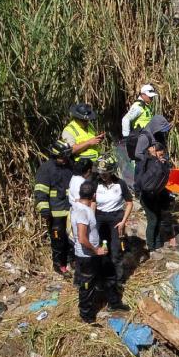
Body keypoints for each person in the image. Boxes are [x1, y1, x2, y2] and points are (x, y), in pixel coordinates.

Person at [92, 155, 133, 311]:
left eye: (106, 172)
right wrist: (91, 220)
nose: (103, 175)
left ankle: (115, 280)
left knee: (115, 252)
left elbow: (129, 202)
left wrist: (123, 221)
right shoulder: (96, 184)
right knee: (102, 251)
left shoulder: (120, 184)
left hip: (115, 218)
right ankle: (103, 279)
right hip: (100, 218)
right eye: (101, 172)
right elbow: (93, 202)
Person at [70, 180, 108, 324]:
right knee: (87, 285)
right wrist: (96, 250)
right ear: (93, 195)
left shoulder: (80, 206)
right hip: (86, 256)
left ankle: (89, 307)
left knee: (88, 282)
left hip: (86, 255)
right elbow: (82, 238)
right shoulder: (82, 212)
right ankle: (87, 316)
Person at [35, 141, 74, 275]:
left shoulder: (69, 166)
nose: (65, 159)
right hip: (55, 213)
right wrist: (44, 209)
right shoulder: (46, 169)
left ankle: (71, 262)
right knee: (58, 240)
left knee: (71, 239)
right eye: (63, 156)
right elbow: (40, 191)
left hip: (70, 211)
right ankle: (59, 266)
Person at [135, 142, 172, 253]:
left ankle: (158, 244)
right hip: (146, 196)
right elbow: (141, 181)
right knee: (153, 220)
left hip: (155, 195)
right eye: (160, 154)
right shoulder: (144, 163)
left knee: (158, 218)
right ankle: (151, 246)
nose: (161, 157)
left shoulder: (156, 161)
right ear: (152, 150)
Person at [61, 103, 104, 169]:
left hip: (96, 163)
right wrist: (89, 142)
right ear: (77, 118)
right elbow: (71, 150)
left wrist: (98, 139)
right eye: (83, 120)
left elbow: (92, 140)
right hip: (81, 166)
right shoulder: (68, 130)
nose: (86, 122)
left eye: (87, 120)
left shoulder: (89, 125)